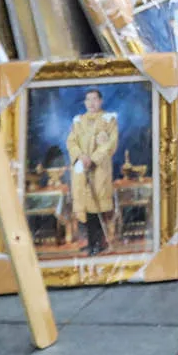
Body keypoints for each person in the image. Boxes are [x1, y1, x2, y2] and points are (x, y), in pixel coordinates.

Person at [67, 88, 119, 255]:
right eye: (88, 100)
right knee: (86, 207)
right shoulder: (78, 121)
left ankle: (100, 242)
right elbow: (71, 142)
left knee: (97, 206)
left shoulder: (108, 120)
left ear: (100, 101)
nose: (91, 103)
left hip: (99, 170)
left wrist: (93, 159)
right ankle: (91, 242)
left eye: (94, 99)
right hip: (82, 169)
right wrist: (80, 156)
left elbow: (110, 144)